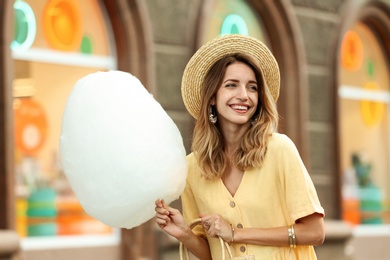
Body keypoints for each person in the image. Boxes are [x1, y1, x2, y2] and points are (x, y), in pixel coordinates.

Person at [155, 34, 325, 260]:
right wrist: (185, 234)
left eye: (252, 87)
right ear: (212, 97)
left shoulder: (280, 150)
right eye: (231, 85)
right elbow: (214, 254)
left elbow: (315, 232)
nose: (244, 96)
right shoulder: (192, 168)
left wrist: (236, 233)